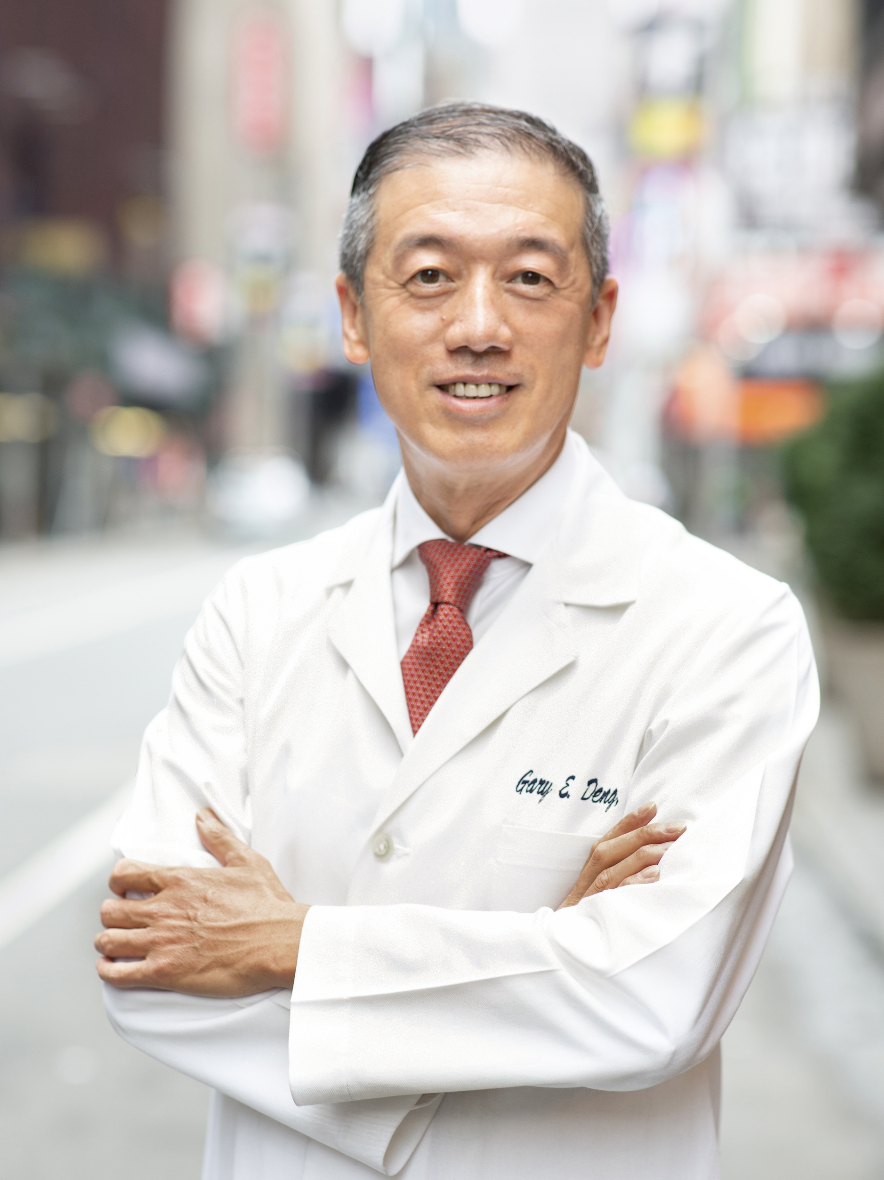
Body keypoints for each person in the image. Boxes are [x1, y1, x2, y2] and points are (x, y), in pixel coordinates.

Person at [97, 103, 818, 1180]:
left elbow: (651, 998)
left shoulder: (727, 630)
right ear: (351, 315)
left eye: (529, 277)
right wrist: (542, 958)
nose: (477, 324)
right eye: (427, 276)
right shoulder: (257, 611)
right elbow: (150, 962)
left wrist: (290, 945)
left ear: (598, 319)